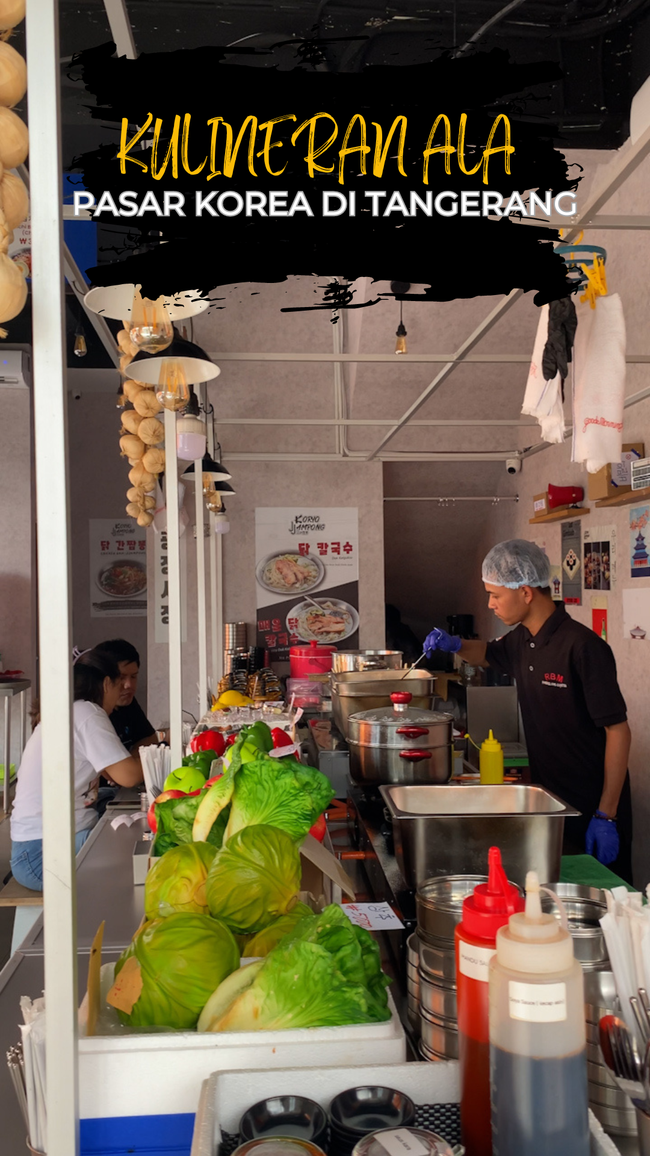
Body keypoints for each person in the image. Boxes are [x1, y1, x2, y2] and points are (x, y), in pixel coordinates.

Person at [424, 539, 633, 881]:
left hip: (593, 805)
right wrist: (456, 644)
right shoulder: (523, 639)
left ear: (525, 592)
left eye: (495, 595)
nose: (490, 604)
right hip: (551, 799)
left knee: (605, 907)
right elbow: (488, 653)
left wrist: (606, 815)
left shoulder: (583, 647)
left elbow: (618, 730)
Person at [10, 652, 144, 891]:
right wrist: (159, 755)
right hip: (41, 855)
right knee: (139, 847)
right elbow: (129, 776)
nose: (125, 688)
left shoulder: (73, 710)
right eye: (119, 681)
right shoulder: (87, 714)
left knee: (125, 812)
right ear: (105, 683)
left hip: (36, 846)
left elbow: (113, 774)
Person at [89, 639, 158, 753]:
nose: (128, 685)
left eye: (134, 676)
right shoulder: (92, 715)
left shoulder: (127, 702)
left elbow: (150, 740)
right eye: (121, 677)